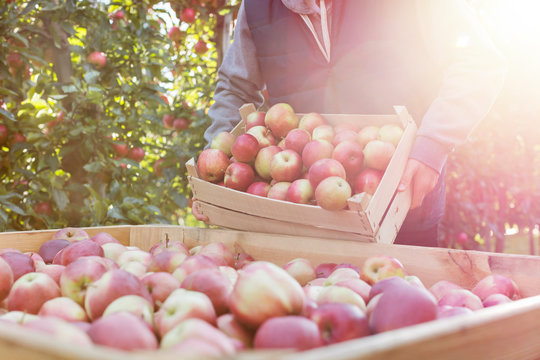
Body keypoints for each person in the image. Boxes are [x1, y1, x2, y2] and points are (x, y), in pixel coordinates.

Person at [198, 0, 507, 247]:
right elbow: (235, 88)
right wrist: (218, 163)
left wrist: (434, 144)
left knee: (406, 309)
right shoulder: (258, 7)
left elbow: (478, 61)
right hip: (306, 213)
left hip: (402, 198)